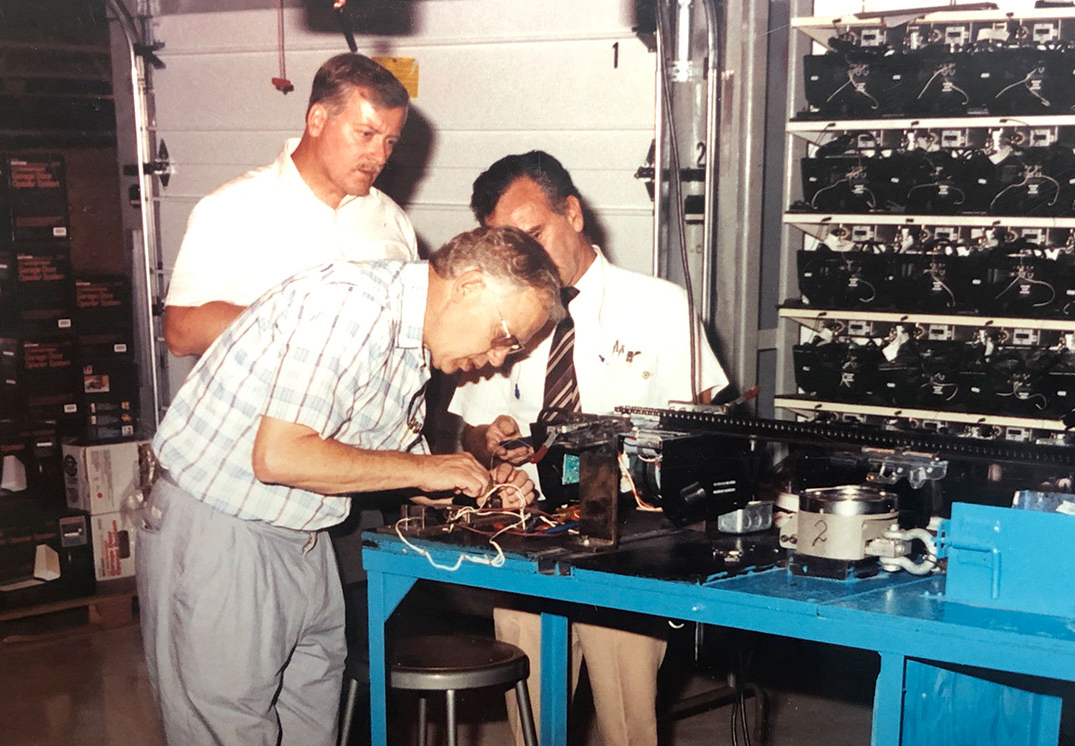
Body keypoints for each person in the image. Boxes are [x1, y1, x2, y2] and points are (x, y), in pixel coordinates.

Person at [137, 225, 563, 746]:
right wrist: (425, 470)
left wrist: (466, 482)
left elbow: (366, 461)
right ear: (469, 285)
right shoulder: (351, 308)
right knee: (227, 732)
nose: (499, 358)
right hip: (222, 532)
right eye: (505, 337)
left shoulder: (410, 348)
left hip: (304, 538)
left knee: (310, 731)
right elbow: (279, 455)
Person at [450, 151, 729, 746]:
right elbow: (467, 432)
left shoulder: (660, 305)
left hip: (631, 540)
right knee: (527, 714)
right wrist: (488, 437)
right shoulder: (501, 315)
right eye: (508, 245)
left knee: (628, 720)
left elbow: (706, 432)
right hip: (531, 533)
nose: (525, 257)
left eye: (534, 234)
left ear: (572, 213)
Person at [162, 52, 417, 358]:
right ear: (318, 120)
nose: (380, 156)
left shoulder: (393, 220)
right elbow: (180, 332)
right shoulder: (231, 208)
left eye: (390, 141)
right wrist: (301, 323)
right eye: (366, 134)